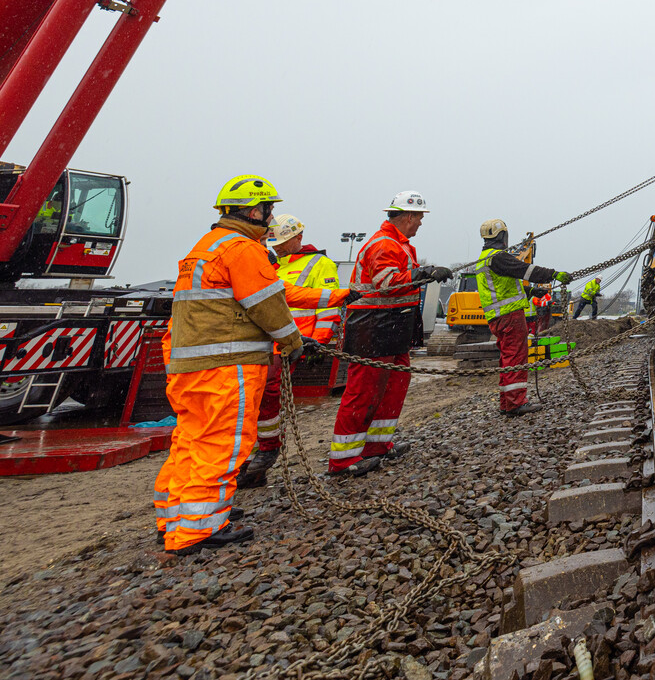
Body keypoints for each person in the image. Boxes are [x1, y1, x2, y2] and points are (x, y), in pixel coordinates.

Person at [153, 175, 303, 554]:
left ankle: (175, 519)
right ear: (255, 211)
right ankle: (198, 530)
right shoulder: (242, 249)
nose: (270, 220)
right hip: (226, 366)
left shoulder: (204, 247)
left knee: (189, 440)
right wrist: (293, 342)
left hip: (189, 365)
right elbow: (267, 305)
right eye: (267, 211)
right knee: (222, 442)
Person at [329, 191, 444, 477]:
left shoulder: (400, 244)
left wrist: (423, 274)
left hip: (393, 325)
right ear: (407, 216)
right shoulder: (384, 245)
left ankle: (377, 447)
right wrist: (424, 274)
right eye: (418, 217)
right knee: (363, 391)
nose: (420, 223)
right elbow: (387, 283)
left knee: (393, 387)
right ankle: (343, 461)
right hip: (373, 327)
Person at [237, 214, 354, 488]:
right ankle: (253, 460)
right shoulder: (271, 264)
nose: (276, 247)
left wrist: (319, 340)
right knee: (252, 403)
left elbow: (324, 304)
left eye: (282, 243)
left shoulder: (318, 264)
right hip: (266, 343)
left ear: (298, 238)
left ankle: (263, 454)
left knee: (267, 398)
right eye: (274, 243)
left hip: (290, 344)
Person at [473, 219, 570, 416]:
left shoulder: (484, 258)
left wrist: (531, 291)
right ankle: (516, 403)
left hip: (497, 317)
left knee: (507, 358)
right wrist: (554, 274)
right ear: (503, 236)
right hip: (509, 316)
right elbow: (526, 271)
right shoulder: (499, 257)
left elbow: (502, 286)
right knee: (516, 357)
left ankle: (506, 402)